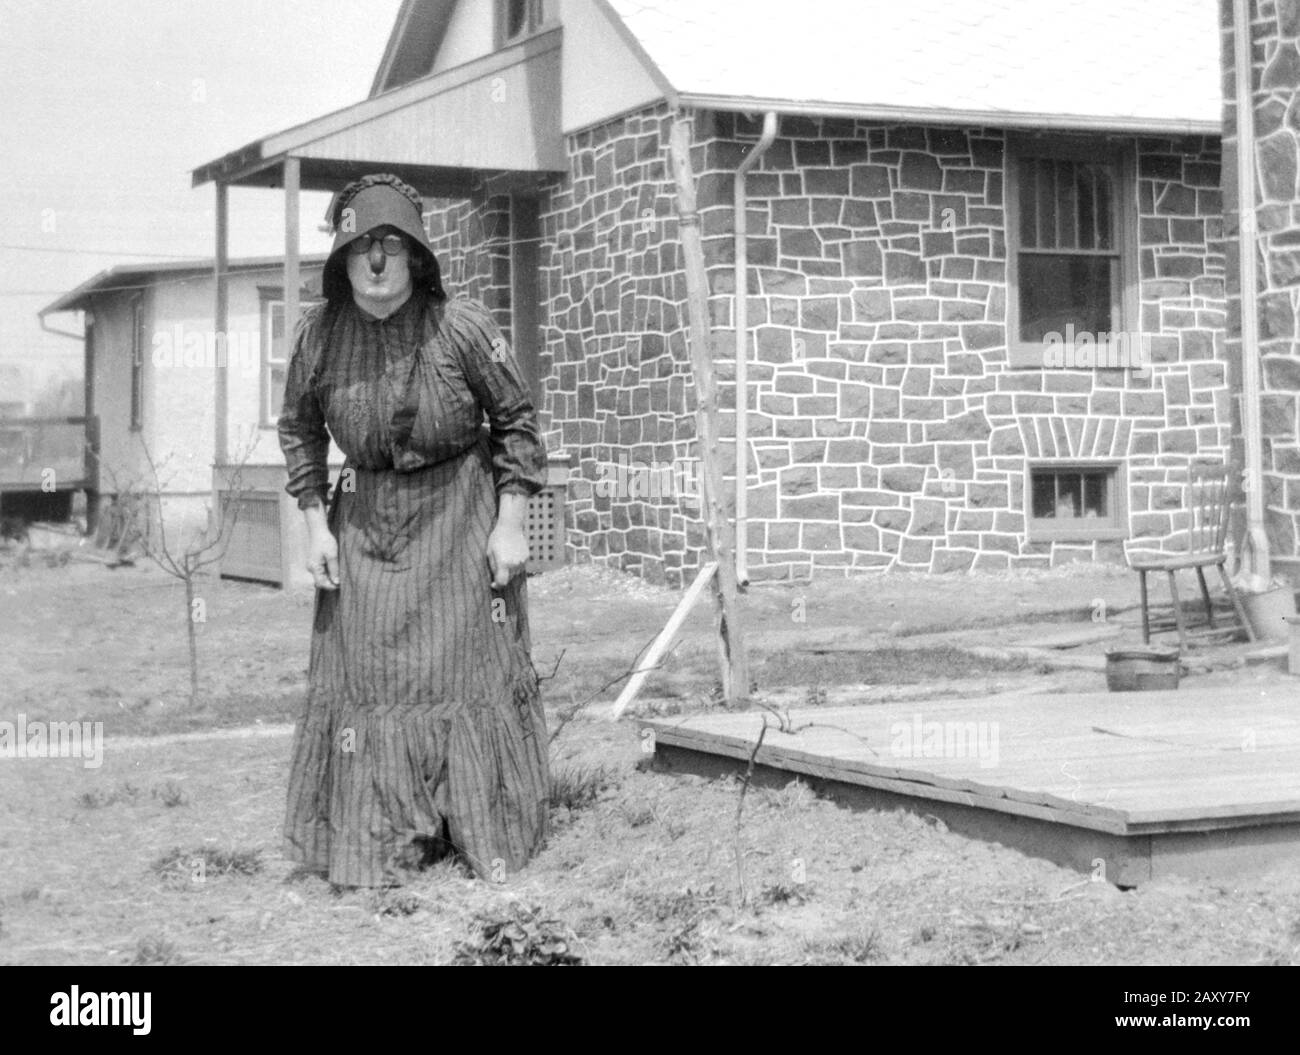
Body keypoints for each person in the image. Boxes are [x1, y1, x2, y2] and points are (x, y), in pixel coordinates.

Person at [277, 173, 550, 887]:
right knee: (367, 683)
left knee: (465, 675)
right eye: (361, 246)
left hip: (459, 519)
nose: (375, 262)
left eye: (391, 246)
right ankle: (382, 839)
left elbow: (517, 422)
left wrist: (512, 522)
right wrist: (315, 526)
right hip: (364, 528)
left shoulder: (462, 328)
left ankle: (475, 828)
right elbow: (299, 431)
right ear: (341, 258)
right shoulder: (319, 336)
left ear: (417, 258)